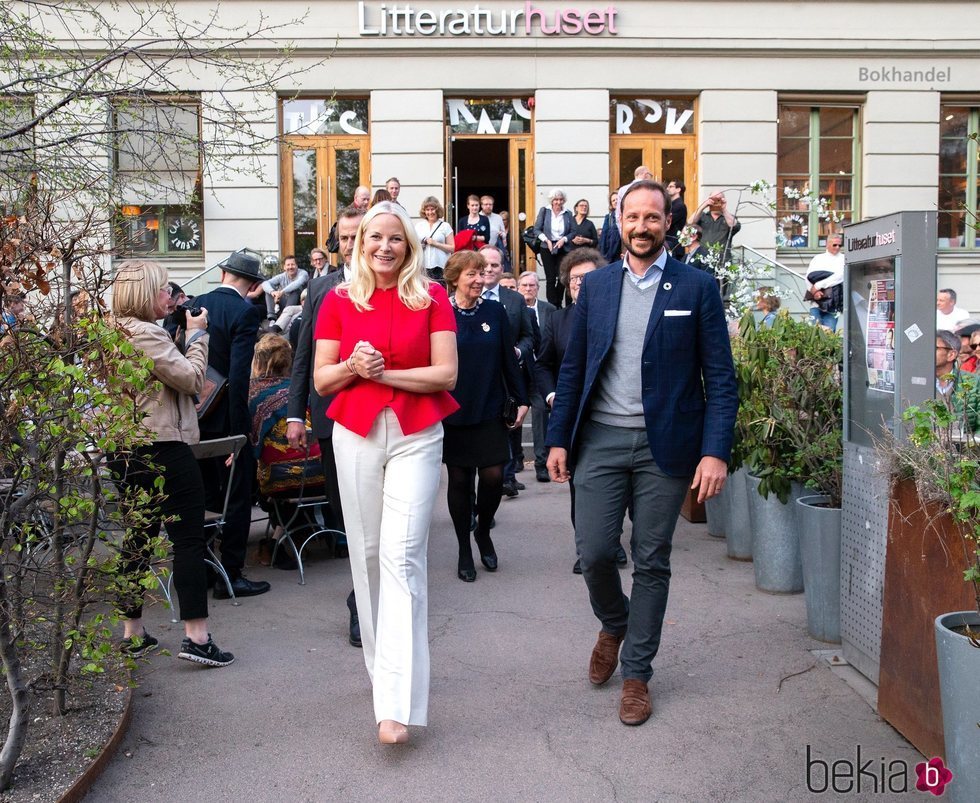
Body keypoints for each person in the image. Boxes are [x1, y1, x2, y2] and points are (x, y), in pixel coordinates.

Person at [546, 180, 738, 727]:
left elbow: (720, 379)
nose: (642, 226)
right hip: (601, 440)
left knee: (652, 558)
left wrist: (715, 452)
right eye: (633, 216)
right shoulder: (599, 287)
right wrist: (558, 438)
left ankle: (637, 674)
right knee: (597, 551)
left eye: (653, 217)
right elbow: (574, 366)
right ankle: (614, 620)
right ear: (619, 220)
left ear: (668, 222)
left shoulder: (697, 287)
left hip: (667, 446)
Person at [312, 201, 459, 745]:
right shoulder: (338, 299)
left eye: (395, 238)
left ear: (411, 245)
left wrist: (387, 371)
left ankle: (396, 703)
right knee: (369, 554)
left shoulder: (433, 296)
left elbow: (446, 373)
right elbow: (324, 379)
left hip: (418, 433)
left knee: (402, 556)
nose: (384, 247)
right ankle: (382, 671)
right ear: (358, 242)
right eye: (375, 236)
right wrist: (354, 366)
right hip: (356, 433)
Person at [108, 259, 234, 667]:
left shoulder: (111, 332)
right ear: (145, 293)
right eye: (164, 289)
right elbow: (193, 380)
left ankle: (134, 633)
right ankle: (197, 637)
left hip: (127, 449)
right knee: (188, 538)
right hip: (162, 447)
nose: (172, 297)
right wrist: (198, 337)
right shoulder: (143, 334)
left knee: (138, 537)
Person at [288, 205, 365, 646]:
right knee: (347, 512)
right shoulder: (320, 288)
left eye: (361, 235)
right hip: (332, 415)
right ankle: (360, 601)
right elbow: (304, 354)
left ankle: (374, 599)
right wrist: (297, 412)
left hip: (380, 414)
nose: (353, 245)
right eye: (347, 238)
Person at [535, 248, 626, 575]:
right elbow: (543, 365)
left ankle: (612, 541)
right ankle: (586, 548)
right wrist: (550, 395)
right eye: (574, 279)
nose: (579, 284)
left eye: (586, 278)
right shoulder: (558, 320)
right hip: (574, 419)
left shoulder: (617, 314)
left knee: (618, 488)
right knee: (582, 486)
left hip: (613, 416)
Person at [442, 251, 528, 582]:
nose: (481, 279)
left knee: (493, 478)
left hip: (490, 409)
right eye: (472, 274)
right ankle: (464, 546)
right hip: (453, 412)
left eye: (483, 272)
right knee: (460, 482)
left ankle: (483, 532)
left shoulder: (495, 311)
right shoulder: (440, 314)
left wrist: (521, 399)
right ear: (454, 278)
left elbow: (509, 359)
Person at [193, 250, 271, 600]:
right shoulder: (244, 311)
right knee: (236, 496)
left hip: (194, 417)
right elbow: (240, 379)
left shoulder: (196, 303)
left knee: (205, 495)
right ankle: (233, 573)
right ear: (253, 284)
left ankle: (206, 568)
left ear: (223, 273)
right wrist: (241, 435)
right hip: (226, 421)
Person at [478, 245, 536, 497]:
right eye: (485, 265)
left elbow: (528, 336)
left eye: (494, 265)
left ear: (502, 269)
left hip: (508, 376)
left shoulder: (514, 299)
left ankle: (508, 477)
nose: (489, 269)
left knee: (510, 423)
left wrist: (519, 352)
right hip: (477, 378)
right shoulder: (464, 293)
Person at [517, 271, 555, 483]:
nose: (528, 289)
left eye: (532, 285)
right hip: (518, 371)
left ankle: (541, 463)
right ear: (518, 287)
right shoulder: (514, 308)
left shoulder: (548, 309)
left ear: (538, 288)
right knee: (515, 414)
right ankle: (516, 460)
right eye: (524, 286)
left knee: (541, 414)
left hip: (538, 371)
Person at [533, 188, 574, 308]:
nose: (558, 202)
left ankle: (558, 302)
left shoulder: (568, 213)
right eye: (556, 199)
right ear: (552, 200)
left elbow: (573, 231)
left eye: (561, 199)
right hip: (547, 247)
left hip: (563, 247)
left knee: (563, 277)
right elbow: (536, 229)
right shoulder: (544, 211)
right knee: (550, 278)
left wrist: (564, 239)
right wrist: (546, 240)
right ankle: (553, 305)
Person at [687, 190, 741, 267]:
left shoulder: (729, 218)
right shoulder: (702, 216)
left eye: (719, 199)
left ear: (723, 200)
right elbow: (689, 224)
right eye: (713, 199)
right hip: (703, 260)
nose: (716, 201)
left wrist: (724, 209)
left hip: (722, 262)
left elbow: (735, 226)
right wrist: (704, 205)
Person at [805, 233, 844, 331]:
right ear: (827, 244)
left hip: (834, 303)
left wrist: (818, 286)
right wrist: (814, 291)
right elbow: (808, 277)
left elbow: (840, 277)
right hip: (816, 302)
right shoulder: (818, 258)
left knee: (829, 334)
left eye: (840, 245)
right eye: (834, 245)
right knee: (813, 332)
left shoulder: (843, 259)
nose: (837, 247)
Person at [261, 255, 309, 332]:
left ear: (297, 266)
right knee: (269, 291)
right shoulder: (282, 276)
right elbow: (265, 283)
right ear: (284, 267)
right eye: (288, 265)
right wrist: (273, 292)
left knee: (294, 291)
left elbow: (297, 283)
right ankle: (272, 318)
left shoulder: (303, 273)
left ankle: (282, 319)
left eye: (292, 264)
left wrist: (281, 292)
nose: (290, 267)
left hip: (298, 304)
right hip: (285, 304)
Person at [415, 196, 455, 281]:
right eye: (427, 210)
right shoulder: (419, 226)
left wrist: (435, 244)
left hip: (440, 267)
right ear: (424, 211)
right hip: (423, 266)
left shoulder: (445, 226)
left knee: (439, 292)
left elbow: (452, 248)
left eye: (432, 209)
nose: (430, 212)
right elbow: (413, 246)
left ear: (437, 210)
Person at [598, 190, 622, 264]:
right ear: (611, 204)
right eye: (613, 200)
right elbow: (604, 238)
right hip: (612, 256)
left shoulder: (628, 215)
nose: (615, 201)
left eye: (617, 199)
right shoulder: (609, 218)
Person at [665, 180, 688, 257]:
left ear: (678, 189)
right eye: (668, 186)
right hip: (670, 244)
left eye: (671, 186)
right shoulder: (671, 205)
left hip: (674, 246)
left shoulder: (679, 206)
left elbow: (667, 222)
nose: (667, 188)